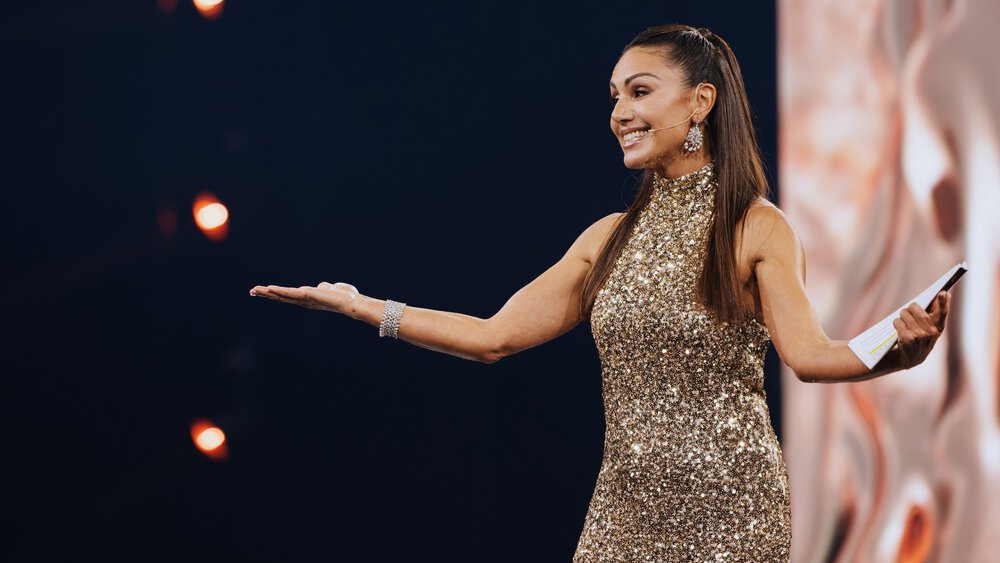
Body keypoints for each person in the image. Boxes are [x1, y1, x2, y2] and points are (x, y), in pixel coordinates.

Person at [249, 24, 951, 563]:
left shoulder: (755, 227)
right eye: (615, 96)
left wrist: (899, 347)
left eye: (639, 91)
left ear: (701, 102)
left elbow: (811, 355)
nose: (620, 112)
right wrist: (361, 305)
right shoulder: (607, 238)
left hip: (730, 509)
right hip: (623, 509)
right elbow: (493, 337)